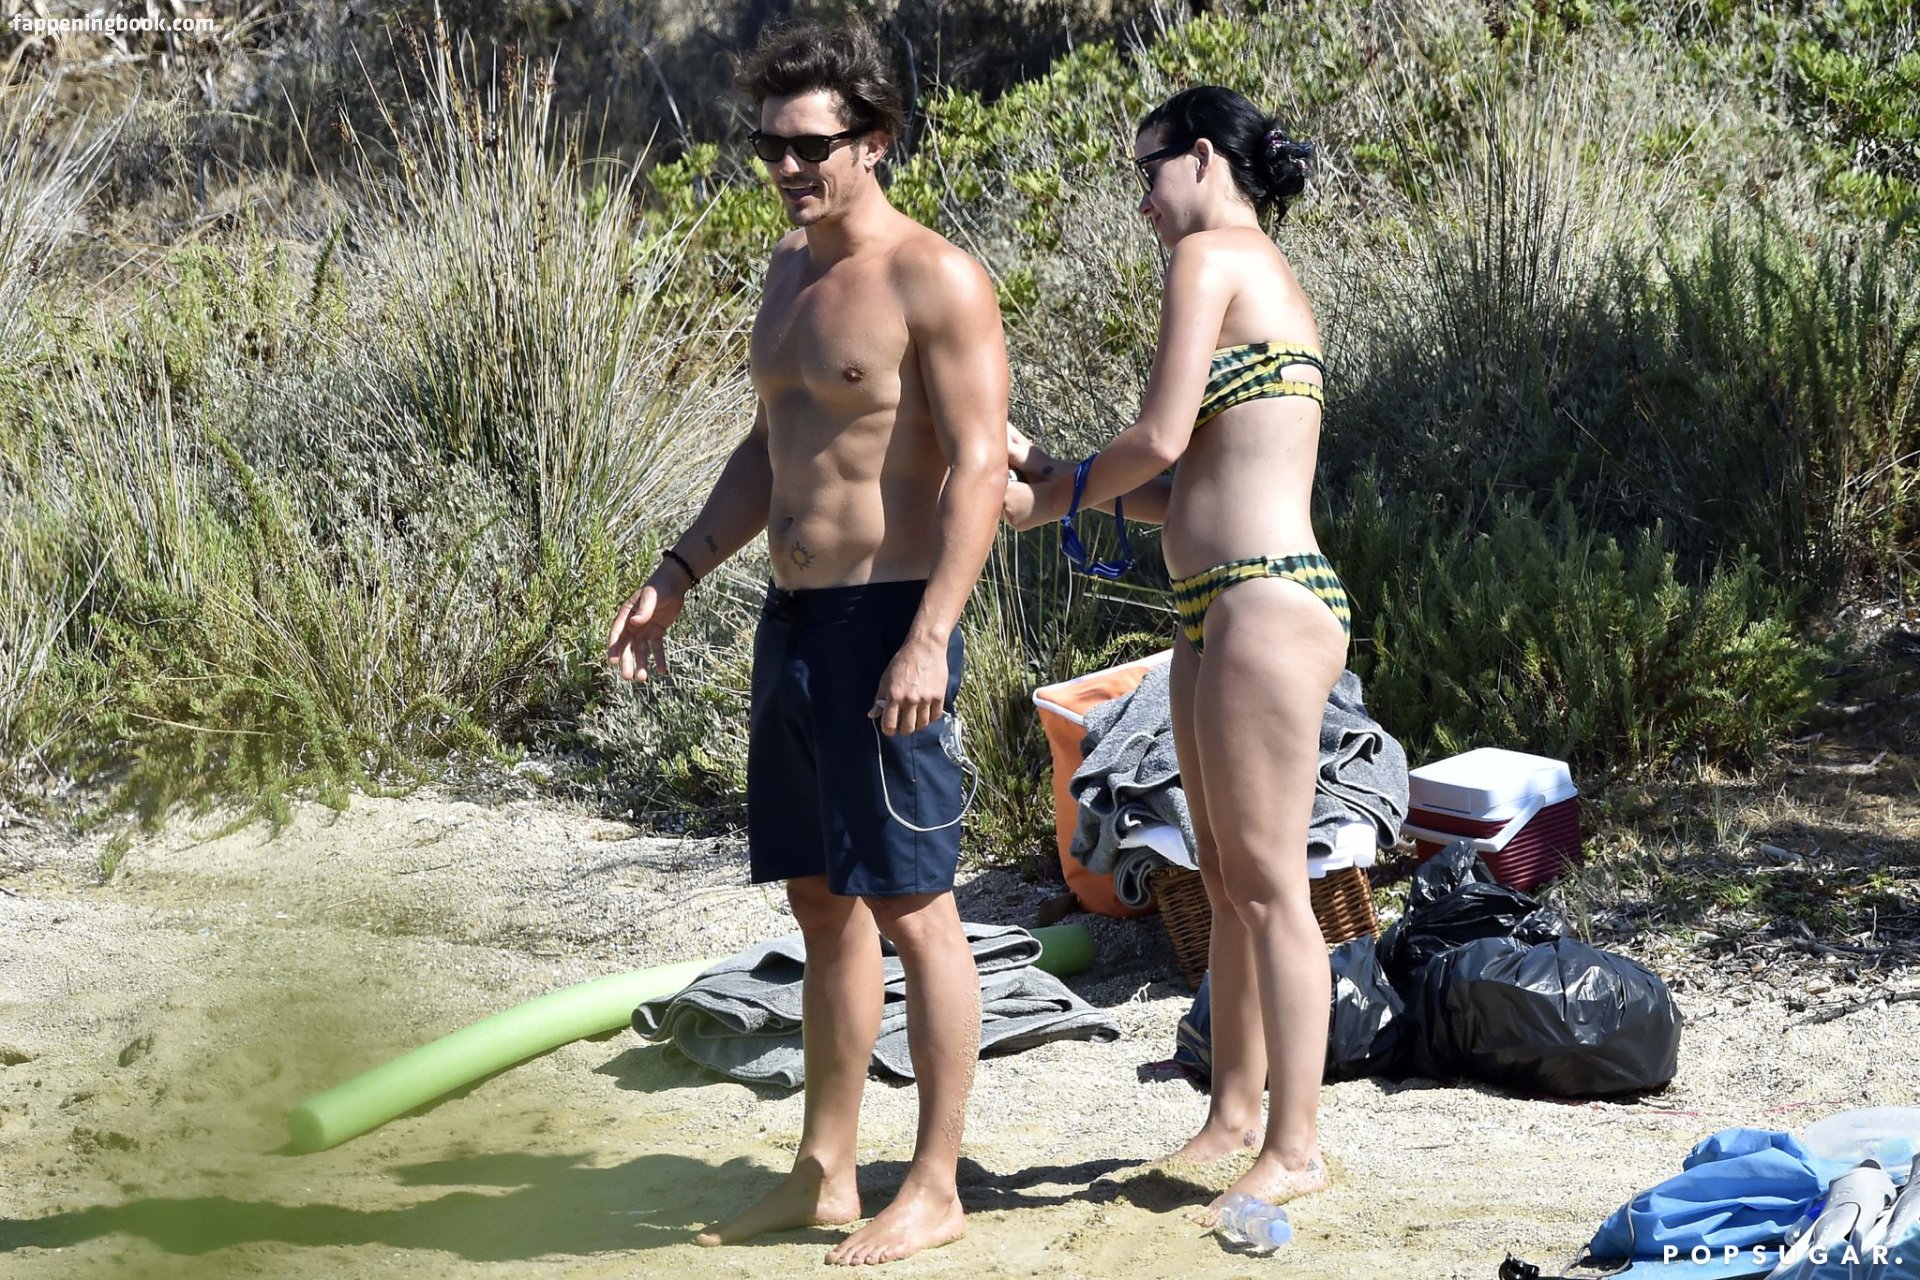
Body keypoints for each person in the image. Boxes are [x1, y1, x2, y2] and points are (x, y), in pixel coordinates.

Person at [604, 21, 1008, 1267]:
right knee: (823, 904)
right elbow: (771, 445)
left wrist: (931, 637)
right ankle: (825, 1169)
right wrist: (678, 571)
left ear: (874, 140)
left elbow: (980, 467)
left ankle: (933, 1182)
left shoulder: (934, 277)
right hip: (792, 623)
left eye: (810, 146)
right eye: (770, 145)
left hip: (888, 621)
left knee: (916, 908)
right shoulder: (789, 270)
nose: (786, 167)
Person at [1003, 85, 1344, 1217]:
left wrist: (1060, 492)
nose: (1142, 201)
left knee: (1271, 888)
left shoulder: (1211, 257)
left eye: (1146, 172)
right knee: (1230, 882)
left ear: (1201, 158)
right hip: (1220, 603)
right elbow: (1183, 486)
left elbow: (1155, 436)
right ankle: (1234, 1114)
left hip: (1262, 601)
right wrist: (1060, 486)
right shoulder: (1259, 271)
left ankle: (1295, 1145)